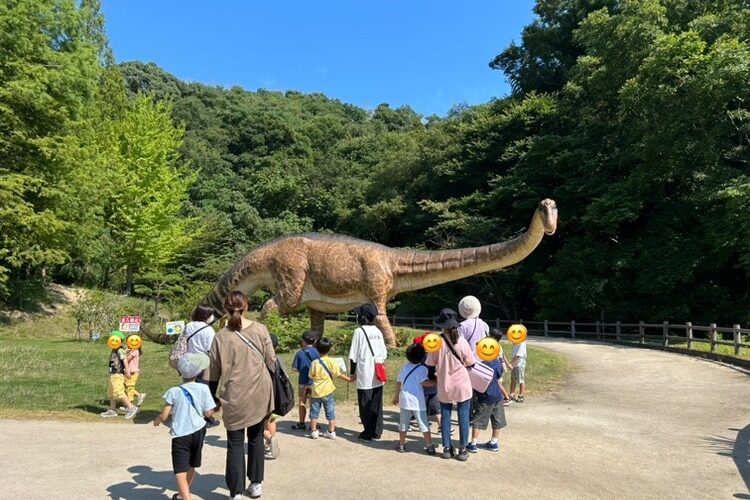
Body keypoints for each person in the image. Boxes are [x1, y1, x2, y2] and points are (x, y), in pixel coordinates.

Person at [208, 291, 275, 500]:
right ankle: (256, 484)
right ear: (246, 306)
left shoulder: (220, 337)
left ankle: (236, 491)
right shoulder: (261, 329)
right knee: (255, 438)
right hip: (259, 391)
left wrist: (211, 400)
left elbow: (212, 373)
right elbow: (271, 360)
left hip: (234, 394)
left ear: (226, 308)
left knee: (235, 442)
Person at [153, 353, 216, 500]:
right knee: (191, 464)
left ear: (179, 372)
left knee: (179, 470)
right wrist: (216, 407)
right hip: (199, 430)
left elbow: (164, 415)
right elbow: (208, 412)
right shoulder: (203, 389)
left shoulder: (173, 392)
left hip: (181, 434)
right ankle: (183, 494)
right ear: (198, 372)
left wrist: (157, 420)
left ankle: (186, 497)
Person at [425, 308, 474, 461]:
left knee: (445, 415)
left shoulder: (436, 343)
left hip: (444, 383)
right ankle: (463, 448)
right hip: (462, 383)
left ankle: (447, 448)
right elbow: (470, 363)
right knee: (463, 416)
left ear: (442, 325)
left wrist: (433, 377)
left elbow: (430, 365)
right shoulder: (463, 342)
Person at [348, 303, 388, 442]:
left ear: (362, 317)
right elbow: (383, 353)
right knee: (377, 402)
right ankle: (377, 431)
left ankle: (367, 432)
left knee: (365, 402)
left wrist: (352, 373)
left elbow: (353, 355)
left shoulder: (359, 332)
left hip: (365, 371)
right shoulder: (378, 331)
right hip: (378, 371)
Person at [391, 343, 436, 455]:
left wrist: (396, 396)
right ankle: (429, 446)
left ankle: (401, 444)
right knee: (423, 424)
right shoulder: (422, 369)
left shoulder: (404, 367)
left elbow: (398, 382)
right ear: (422, 357)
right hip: (417, 401)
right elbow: (425, 383)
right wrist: (436, 381)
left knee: (403, 423)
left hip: (404, 399)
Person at [467, 329, 507, 453]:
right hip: (497, 396)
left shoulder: (480, 366)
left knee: (478, 419)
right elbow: (499, 376)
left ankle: (473, 443)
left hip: (485, 397)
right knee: (497, 420)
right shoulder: (497, 363)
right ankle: (494, 442)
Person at [308, 337, 353, 440]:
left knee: (314, 412)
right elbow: (338, 374)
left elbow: (311, 376)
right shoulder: (332, 361)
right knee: (330, 411)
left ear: (316, 349)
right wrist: (349, 379)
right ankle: (331, 431)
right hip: (328, 390)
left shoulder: (314, 363)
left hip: (316, 391)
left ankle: (314, 431)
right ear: (329, 349)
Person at [184, 305, 219, 427]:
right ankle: (207, 417)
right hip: (203, 361)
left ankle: (193, 415)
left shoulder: (188, 326)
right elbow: (211, 349)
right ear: (206, 316)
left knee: (192, 388)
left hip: (189, 360)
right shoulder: (208, 330)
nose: (212, 317)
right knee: (206, 389)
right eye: (211, 315)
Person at [100, 331, 138, 420]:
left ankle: (131, 408)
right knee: (111, 393)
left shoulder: (120, 350)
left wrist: (127, 371)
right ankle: (113, 410)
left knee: (118, 392)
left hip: (117, 374)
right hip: (113, 374)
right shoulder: (115, 349)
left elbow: (124, 360)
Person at [290, 330, 320, 431]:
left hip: (303, 381)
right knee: (314, 402)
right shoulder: (317, 352)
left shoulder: (299, 353)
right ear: (315, 341)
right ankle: (314, 423)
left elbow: (294, 368)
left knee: (302, 402)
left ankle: (302, 423)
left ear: (303, 341)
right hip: (314, 382)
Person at [264, 334, 282, 459]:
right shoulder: (279, 359)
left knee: (257, 424)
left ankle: (269, 439)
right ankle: (270, 443)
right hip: (277, 395)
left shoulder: (262, 360)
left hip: (264, 395)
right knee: (272, 419)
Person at [488, 328, 514, 406]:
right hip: (501, 365)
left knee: (497, 383)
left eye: (490, 336)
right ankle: (501, 397)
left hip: (498, 366)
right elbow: (503, 355)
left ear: (494, 338)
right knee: (498, 382)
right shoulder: (498, 345)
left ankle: (506, 398)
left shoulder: (495, 346)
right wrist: (507, 364)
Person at [124, 335, 146, 408]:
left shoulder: (135, 351)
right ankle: (139, 395)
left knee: (129, 387)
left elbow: (127, 359)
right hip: (129, 371)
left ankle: (130, 405)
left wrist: (124, 353)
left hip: (133, 372)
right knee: (127, 387)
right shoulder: (131, 351)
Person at [509, 335, 528, 403]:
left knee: (521, 379)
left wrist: (510, 363)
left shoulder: (522, 343)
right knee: (513, 379)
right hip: (515, 364)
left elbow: (518, 355)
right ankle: (511, 394)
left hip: (520, 363)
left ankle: (521, 395)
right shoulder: (516, 342)